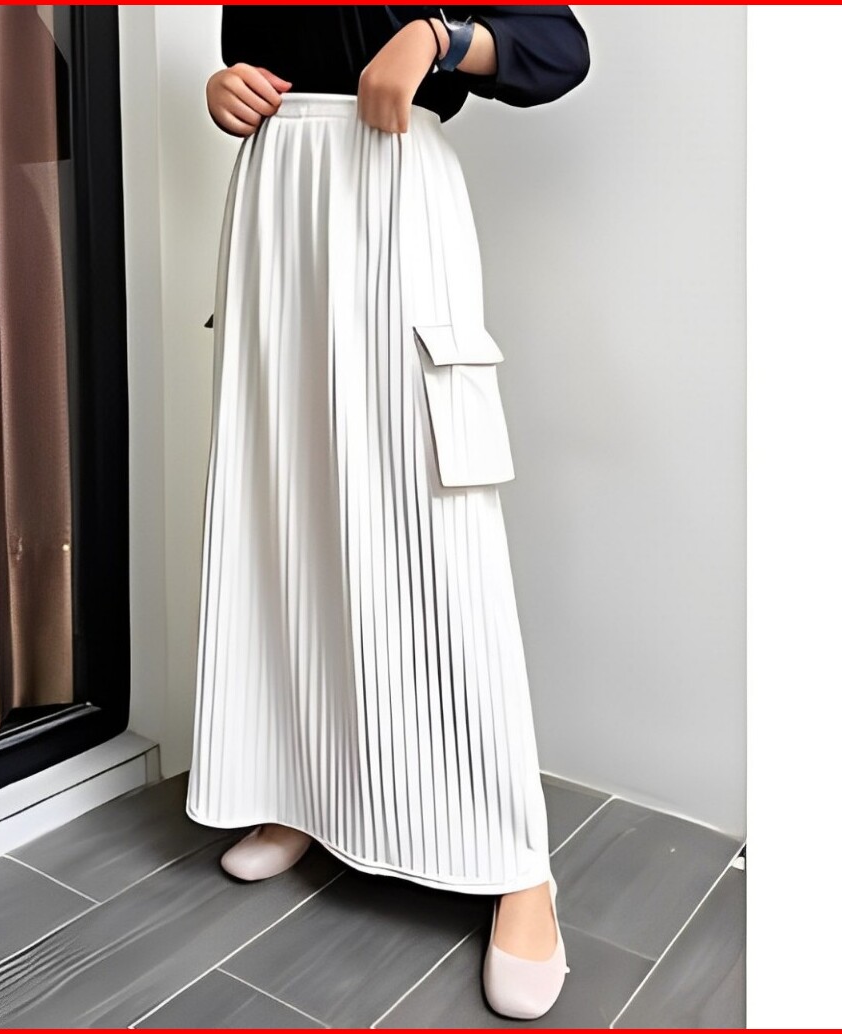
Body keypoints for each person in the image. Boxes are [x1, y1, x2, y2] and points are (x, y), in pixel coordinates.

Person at [186, 5, 590, 1020]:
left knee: (437, 526)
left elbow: (558, 48)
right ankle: (298, 788)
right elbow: (254, 55)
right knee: (285, 512)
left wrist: (438, 37)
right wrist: (226, 86)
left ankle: (517, 866)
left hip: (394, 188)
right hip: (277, 204)